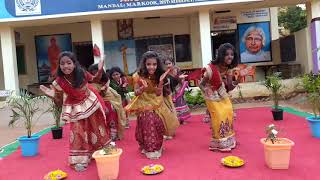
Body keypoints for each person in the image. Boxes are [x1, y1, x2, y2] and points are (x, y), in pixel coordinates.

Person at [39, 51, 110, 171]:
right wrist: (52, 96)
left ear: (74, 64)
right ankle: (79, 161)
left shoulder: (81, 73)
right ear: (59, 65)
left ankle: (100, 152)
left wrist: (100, 69)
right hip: (74, 107)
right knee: (77, 132)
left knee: (95, 128)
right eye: (62, 63)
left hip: (90, 102)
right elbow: (59, 102)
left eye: (69, 63)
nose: (66, 66)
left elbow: (94, 80)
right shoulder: (58, 82)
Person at [125, 51, 179, 159]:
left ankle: (157, 146)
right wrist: (141, 89)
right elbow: (135, 92)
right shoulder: (137, 75)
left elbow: (159, 93)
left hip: (157, 102)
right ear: (144, 64)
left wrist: (160, 83)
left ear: (157, 64)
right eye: (149, 64)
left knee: (158, 123)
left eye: (154, 64)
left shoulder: (160, 75)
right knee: (147, 121)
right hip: (143, 103)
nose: (152, 67)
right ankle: (150, 148)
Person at [199, 43, 237, 152]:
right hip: (211, 95)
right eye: (227, 54)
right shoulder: (211, 69)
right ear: (221, 55)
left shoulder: (229, 69)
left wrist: (239, 78)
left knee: (228, 110)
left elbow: (229, 87)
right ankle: (218, 142)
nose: (230, 57)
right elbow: (201, 84)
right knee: (219, 115)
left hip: (222, 92)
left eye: (232, 54)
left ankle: (228, 140)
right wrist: (207, 90)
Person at [88, 64, 124, 141]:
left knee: (111, 109)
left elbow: (106, 94)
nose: (96, 75)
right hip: (96, 103)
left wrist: (104, 90)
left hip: (109, 101)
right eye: (94, 73)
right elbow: (94, 96)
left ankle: (113, 133)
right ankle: (102, 135)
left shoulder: (105, 81)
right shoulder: (90, 84)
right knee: (105, 110)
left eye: (98, 73)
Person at [164, 58, 191, 124]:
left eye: (169, 63)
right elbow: (165, 82)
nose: (168, 65)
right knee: (173, 105)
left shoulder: (177, 69)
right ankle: (176, 120)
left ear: (173, 63)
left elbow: (182, 78)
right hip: (171, 91)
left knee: (180, 103)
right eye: (166, 64)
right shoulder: (165, 73)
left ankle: (183, 119)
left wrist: (181, 79)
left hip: (179, 89)